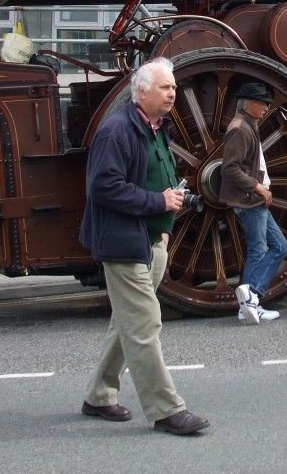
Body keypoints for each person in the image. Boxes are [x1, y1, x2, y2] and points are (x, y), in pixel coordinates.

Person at [78, 57, 209, 435]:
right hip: (124, 244)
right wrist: (159, 203)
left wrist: (165, 222)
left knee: (127, 323)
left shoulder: (154, 128)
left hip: (151, 240)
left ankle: (98, 396)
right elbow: (103, 187)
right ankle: (166, 410)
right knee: (145, 324)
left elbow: (159, 177)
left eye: (173, 87)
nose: (172, 93)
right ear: (142, 91)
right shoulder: (116, 131)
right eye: (165, 87)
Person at [221, 81, 287, 325]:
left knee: (280, 247)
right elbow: (229, 168)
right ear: (249, 103)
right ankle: (250, 303)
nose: (266, 108)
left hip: (254, 200)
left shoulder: (248, 124)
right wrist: (257, 186)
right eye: (262, 103)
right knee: (259, 250)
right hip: (249, 200)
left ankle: (250, 298)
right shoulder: (240, 128)